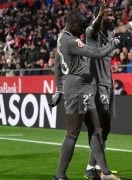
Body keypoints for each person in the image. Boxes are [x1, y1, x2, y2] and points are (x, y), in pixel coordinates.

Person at [49, 9, 120, 180]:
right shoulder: (72, 41)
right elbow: (96, 54)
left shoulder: (61, 38)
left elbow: (58, 65)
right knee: (73, 131)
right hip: (77, 89)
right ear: (72, 24)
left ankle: (105, 173)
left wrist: (58, 89)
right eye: (80, 26)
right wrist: (113, 44)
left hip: (80, 88)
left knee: (96, 129)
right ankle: (59, 175)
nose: (82, 29)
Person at [83, 2, 132, 179]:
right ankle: (100, 170)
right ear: (99, 17)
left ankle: (92, 167)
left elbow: (121, 28)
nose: (113, 18)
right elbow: (93, 25)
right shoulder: (91, 33)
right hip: (95, 86)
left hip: (107, 84)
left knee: (105, 128)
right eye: (109, 15)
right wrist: (100, 13)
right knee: (98, 128)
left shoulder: (109, 32)